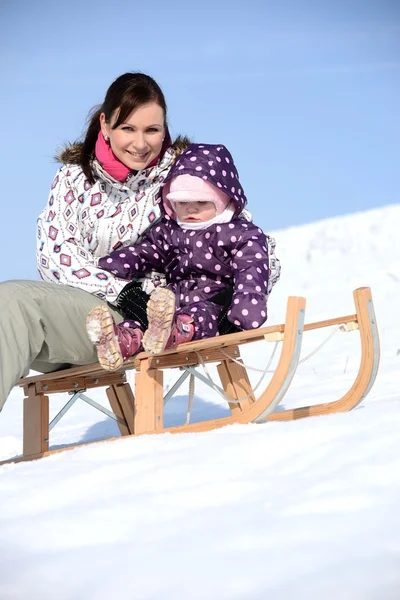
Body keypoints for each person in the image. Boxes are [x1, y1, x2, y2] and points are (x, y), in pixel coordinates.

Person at [0, 71, 191, 411]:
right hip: (89, 317)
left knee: (11, 300)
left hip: (157, 321)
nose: (141, 143)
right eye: (127, 128)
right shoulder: (74, 177)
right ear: (105, 124)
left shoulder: (183, 177)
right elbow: (55, 255)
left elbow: (235, 238)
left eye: (152, 130)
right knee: (11, 302)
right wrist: (120, 291)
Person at [86, 143, 281, 371]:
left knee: (198, 316)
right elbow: (148, 251)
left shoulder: (239, 233)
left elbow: (251, 267)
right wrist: (115, 263)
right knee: (145, 315)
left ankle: (174, 331)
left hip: (216, 305)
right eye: (182, 203)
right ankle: (121, 341)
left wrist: (247, 305)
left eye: (201, 202)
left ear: (223, 200)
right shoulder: (170, 231)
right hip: (171, 300)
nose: (191, 210)